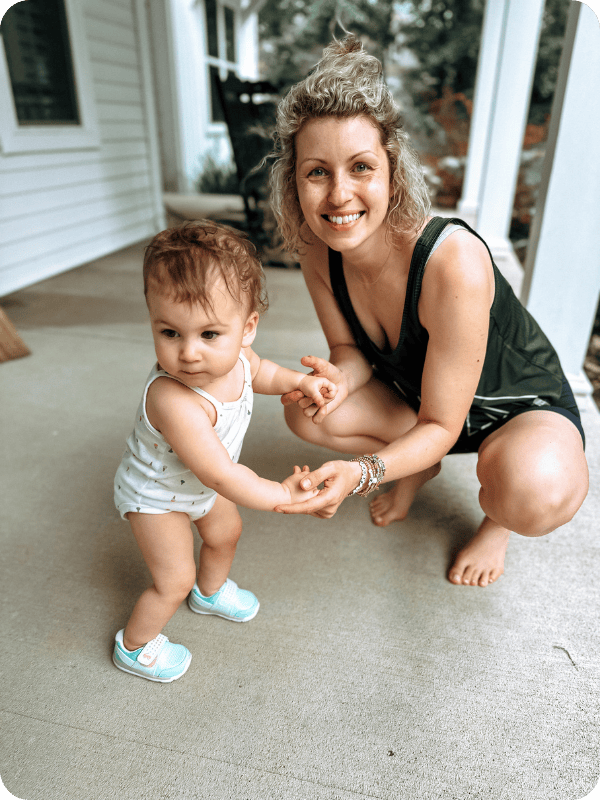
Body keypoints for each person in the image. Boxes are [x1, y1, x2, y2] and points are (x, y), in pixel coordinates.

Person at [269, 35, 589, 589]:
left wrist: (362, 473)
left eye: (361, 167)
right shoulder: (318, 251)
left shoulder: (451, 260)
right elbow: (350, 349)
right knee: (305, 408)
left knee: (535, 493)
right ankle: (420, 464)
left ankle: (497, 522)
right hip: (426, 408)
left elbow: (443, 422)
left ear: (392, 171)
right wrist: (339, 380)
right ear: (294, 182)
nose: (339, 194)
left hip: (511, 411)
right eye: (317, 172)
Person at [112, 221, 336, 682]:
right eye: (170, 333)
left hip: (200, 485)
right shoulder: (174, 400)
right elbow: (221, 476)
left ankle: (210, 592)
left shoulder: (238, 359)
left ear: (247, 328)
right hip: (157, 498)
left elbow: (265, 373)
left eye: (209, 334)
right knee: (172, 579)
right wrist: (281, 494)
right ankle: (134, 645)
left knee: (225, 533)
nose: (189, 353)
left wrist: (299, 381)